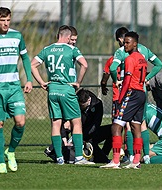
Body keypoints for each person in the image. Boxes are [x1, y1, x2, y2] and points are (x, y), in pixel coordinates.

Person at [31, 25, 93, 165]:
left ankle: (59, 158)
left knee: (55, 123)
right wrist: (78, 82)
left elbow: (32, 65)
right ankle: (78, 158)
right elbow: (84, 64)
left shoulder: (47, 49)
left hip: (52, 90)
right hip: (66, 89)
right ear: (67, 36)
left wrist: (41, 82)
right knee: (76, 122)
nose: (72, 41)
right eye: (71, 39)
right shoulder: (71, 49)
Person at [0, 7, 32, 173]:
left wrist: (29, 80)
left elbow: (25, 57)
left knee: (21, 121)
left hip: (14, 87)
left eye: (8, 20)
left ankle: (10, 151)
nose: (5, 23)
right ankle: (1, 163)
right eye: (2, 20)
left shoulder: (17, 36)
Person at [100, 31, 147, 169]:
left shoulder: (130, 59)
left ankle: (115, 161)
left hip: (131, 93)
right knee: (135, 126)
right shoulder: (142, 59)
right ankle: (136, 161)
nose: (125, 45)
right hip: (141, 94)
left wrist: (121, 97)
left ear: (135, 44)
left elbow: (126, 80)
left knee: (116, 125)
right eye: (124, 42)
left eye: (128, 42)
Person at [44, 88, 112, 163]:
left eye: (82, 105)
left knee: (112, 129)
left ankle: (104, 154)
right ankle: (57, 153)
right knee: (65, 127)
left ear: (88, 100)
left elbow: (96, 125)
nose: (80, 107)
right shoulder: (73, 103)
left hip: (90, 133)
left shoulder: (97, 104)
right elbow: (62, 122)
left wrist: (83, 137)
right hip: (76, 132)